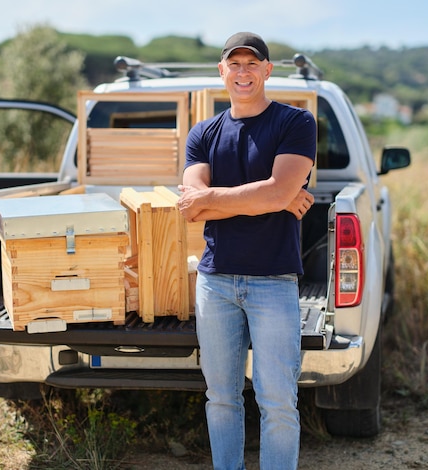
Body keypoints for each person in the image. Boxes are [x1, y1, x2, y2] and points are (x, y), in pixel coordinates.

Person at [177, 32, 317, 470]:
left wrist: (273, 195)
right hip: (215, 282)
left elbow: (273, 191)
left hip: (273, 282)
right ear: (222, 71)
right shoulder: (203, 133)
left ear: (267, 70)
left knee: (278, 401)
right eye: (234, 64)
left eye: (251, 64)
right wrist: (270, 196)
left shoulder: (295, 123)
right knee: (221, 398)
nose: (243, 72)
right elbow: (189, 206)